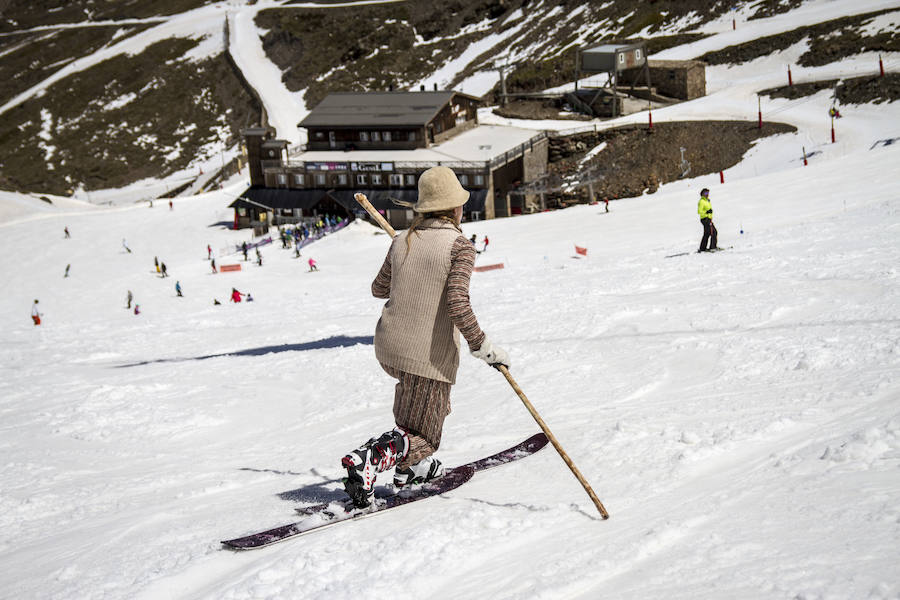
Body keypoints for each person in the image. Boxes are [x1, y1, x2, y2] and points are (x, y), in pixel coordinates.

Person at [340, 166, 510, 508]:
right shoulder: (460, 246)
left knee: (420, 414)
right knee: (426, 435)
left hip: (389, 347)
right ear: (454, 208)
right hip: (426, 355)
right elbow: (458, 305)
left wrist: (406, 258)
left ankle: (413, 469)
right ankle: (370, 459)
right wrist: (483, 347)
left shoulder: (403, 239)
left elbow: (378, 289)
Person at [697, 188, 718, 252]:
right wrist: (707, 212)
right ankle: (712, 247)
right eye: (706, 193)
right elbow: (699, 211)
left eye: (708, 193)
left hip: (708, 219)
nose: (707, 194)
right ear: (702, 194)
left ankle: (702, 248)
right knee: (713, 232)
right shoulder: (701, 201)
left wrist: (710, 212)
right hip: (705, 219)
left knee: (707, 233)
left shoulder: (707, 201)